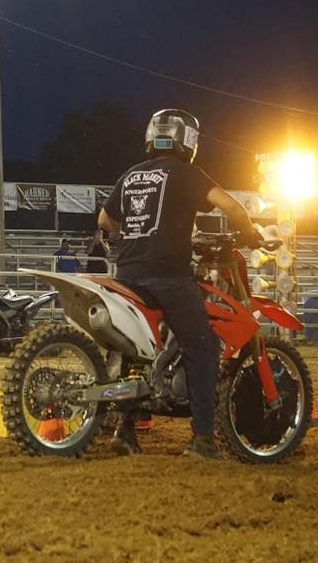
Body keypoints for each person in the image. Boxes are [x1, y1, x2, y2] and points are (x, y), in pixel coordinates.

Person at [98, 109, 260, 460]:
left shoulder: (131, 175)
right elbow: (231, 206)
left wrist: (136, 235)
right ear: (187, 140)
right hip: (169, 276)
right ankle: (202, 439)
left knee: (132, 350)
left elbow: (105, 221)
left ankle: (123, 431)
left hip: (126, 273)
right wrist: (249, 230)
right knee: (201, 347)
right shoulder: (187, 173)